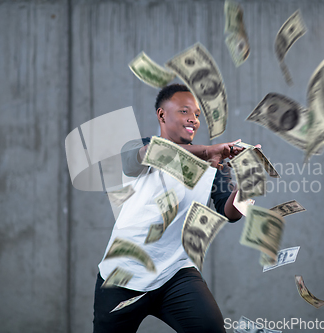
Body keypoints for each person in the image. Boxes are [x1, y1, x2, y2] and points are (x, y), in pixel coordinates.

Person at [93, 84, 258, 333]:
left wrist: (247, 186)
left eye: (197, 115)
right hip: (123, 275)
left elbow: (230, 212)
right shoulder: (142, 148)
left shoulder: (212, 166)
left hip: (175, 272)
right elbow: (154, 155)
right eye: (184, 111)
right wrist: (207, 151)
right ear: (162, 115)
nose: (193, 118)